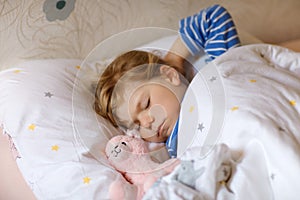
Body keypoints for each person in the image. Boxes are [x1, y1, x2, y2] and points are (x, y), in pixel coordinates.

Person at [94, 4, 241, 158]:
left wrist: (174, 58)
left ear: (170, 76)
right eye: (136, 126)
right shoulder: (171, 148)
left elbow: (213, 18)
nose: (146, 123)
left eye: (146, 104)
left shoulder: (213, 80)